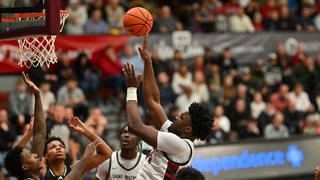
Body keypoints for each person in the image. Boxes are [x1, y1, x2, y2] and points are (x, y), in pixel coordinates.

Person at [123, 35, 213, 180]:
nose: (176, 117)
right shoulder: (176, 135)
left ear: (188, 129)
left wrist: (132, 90)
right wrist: (148, 61)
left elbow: (135, 126)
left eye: (182, 117)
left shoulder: (179, 145)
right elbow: (153, 101)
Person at [5, 72, 46, 180]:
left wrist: (37, 95)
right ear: (25, 166)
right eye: (31, 155)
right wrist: (84, 161)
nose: (36, 155)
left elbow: (39, 134)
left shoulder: (31, 174)